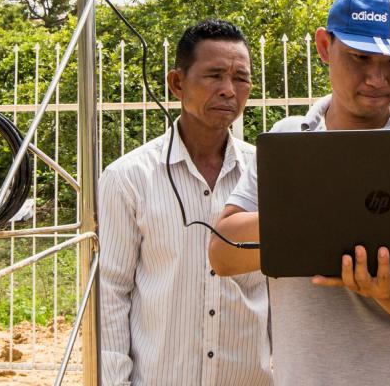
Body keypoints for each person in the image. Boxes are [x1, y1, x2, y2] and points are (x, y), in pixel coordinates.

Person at [209, 0, 390, 386]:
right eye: (361, 58)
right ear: (325, 47)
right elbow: (224, 252)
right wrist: (329, 216)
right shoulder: (287, 142)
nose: (378, 79)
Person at [98, 20, 271, 385]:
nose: (229, 90)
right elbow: (111, 293)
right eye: (214, 76)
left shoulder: (266, 174)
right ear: (177, 83)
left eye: (241, 78)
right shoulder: (129, 178)